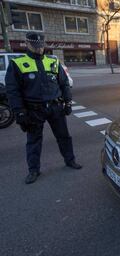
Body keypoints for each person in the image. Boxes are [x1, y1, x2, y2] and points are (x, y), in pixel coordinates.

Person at [5, 32, 82, 184]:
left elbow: (64, 84)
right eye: (35, 46)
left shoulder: (52, 62)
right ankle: (33, 170)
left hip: (55, 107)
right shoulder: (17, 63)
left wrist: (68, 102)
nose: (39, 49)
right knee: (34, 141)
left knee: (64, 137)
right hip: (34, 110)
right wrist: (19, 112)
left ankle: (70, 160)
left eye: (41, 46)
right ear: (27, 44)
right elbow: (13, 91)